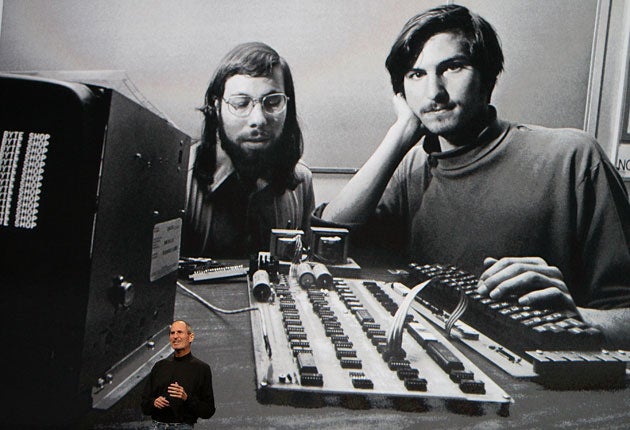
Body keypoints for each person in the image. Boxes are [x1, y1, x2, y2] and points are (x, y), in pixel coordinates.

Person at [319, 4, 630, 347]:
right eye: (416, 75)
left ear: (487, 77)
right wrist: (402, 131)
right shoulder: (413, 167)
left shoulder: (574, 158)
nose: (434, 92)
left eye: (452, 67)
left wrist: (574, 317)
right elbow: (328, 240)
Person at [182, 42, 315, 258]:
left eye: (272, 102)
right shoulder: (178, 180)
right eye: (241, 103)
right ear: (216, 109)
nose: (258, 120)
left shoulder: (301, 182)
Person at [141, 320, 215, 428]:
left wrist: (186, 399)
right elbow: (144, 405)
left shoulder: (201, 369)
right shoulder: (159, 366)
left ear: (191, 337)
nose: (175, 336)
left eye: (180, 332)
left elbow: (208, 411)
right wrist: (154, 402)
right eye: (172, 333)